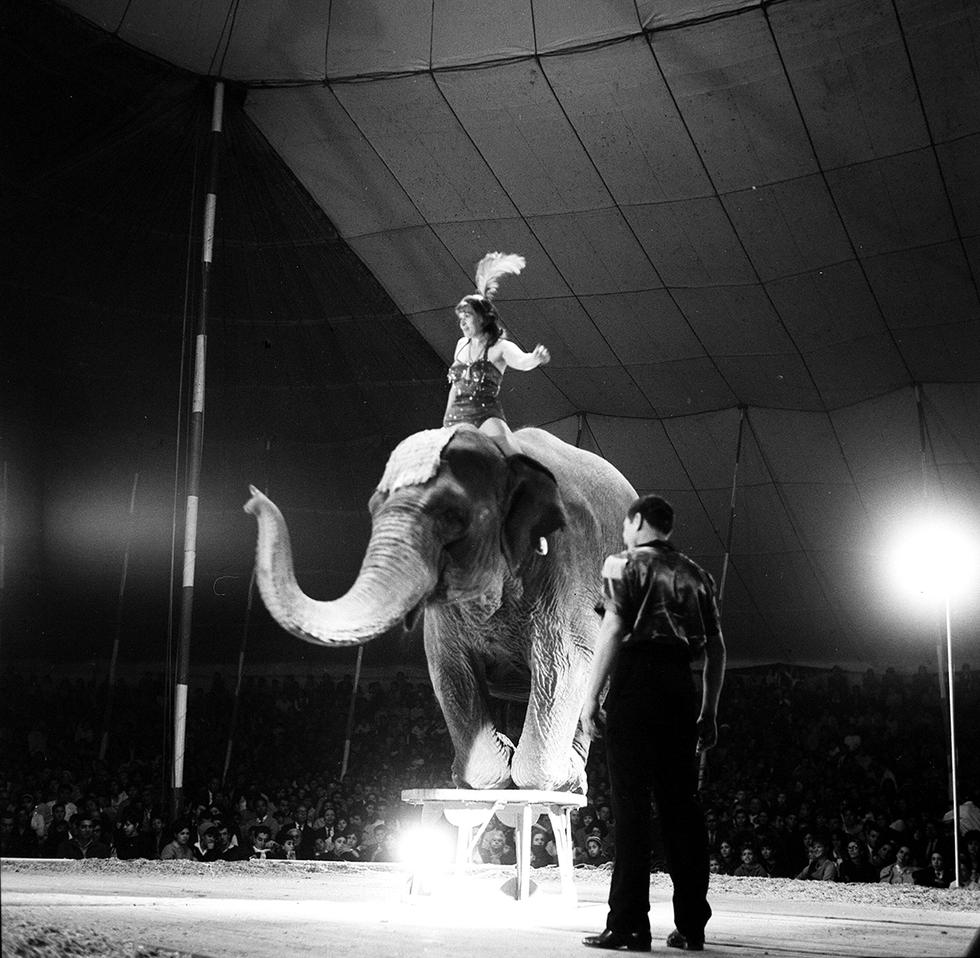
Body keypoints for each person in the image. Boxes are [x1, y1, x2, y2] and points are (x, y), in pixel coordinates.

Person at [581, 494, 726, 953]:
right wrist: (709, 710)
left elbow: (614, 628)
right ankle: (691, 928)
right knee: (682, 809)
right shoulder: (697, 575)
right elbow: (717, 651)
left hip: (636, 683)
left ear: (638, 521)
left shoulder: (622, 564)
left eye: (627, 526)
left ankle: (628, 926)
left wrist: (590, 697)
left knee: (631, 808)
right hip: (679, 686)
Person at [443, 252, 550, 458]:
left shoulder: (501, 348)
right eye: (461, 318)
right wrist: (446, 422)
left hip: (486, 418)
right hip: (455, 418)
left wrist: (535, 358)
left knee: (516, 459)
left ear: (483, 319)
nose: (462, 322)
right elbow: (455, 388)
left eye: (468, 317)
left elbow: (521, 361)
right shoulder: (461, 345)